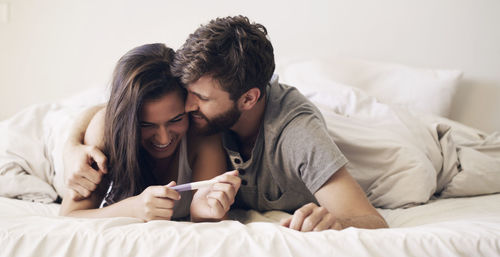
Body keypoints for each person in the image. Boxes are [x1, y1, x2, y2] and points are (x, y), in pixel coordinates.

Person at [64, 16, 388, 231]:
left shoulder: (295, 134)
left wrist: (335, 224)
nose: (187, 108)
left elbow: (368, 219)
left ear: (247, 100)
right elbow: (121, 108)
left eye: (199, 99)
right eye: (186, 94)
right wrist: (73, 144)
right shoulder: (195, 115)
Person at [59, 43, 241, 222]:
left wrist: (202, 213)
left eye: (176, 120)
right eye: (146, 125)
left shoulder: (202, 135)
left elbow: (209, 218)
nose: (163, 138)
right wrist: (132, 209)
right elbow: (69, 216)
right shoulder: (104, 130)